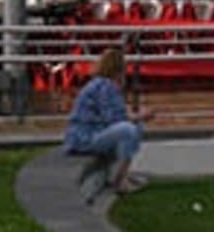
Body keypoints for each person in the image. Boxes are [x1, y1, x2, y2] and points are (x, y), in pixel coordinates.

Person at [64, 47, 155, 196]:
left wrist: (137, 117)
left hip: (94, 132)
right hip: (85, 137)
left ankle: (123, 174)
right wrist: (142, 115)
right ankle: (119, 181)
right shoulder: (105, 86)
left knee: (134, 126)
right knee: (128, 130)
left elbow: (117, 113)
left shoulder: (104, 85)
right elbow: (114, 118)